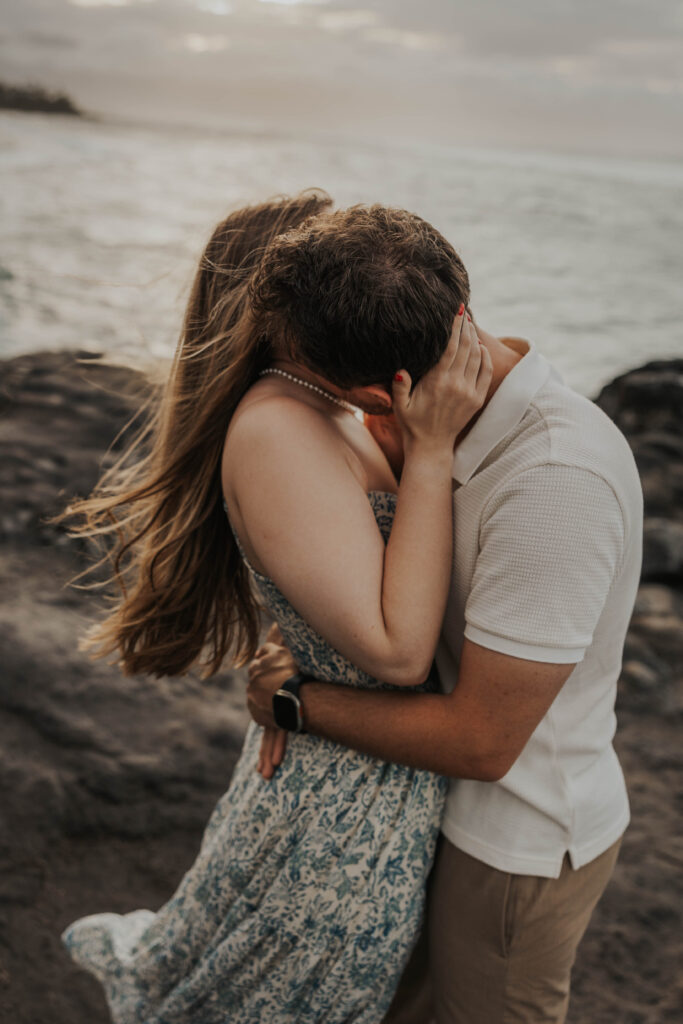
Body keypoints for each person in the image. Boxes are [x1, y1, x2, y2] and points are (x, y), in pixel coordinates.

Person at [59, 193, 493, 1022]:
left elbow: (336, 566)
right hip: (337, 811)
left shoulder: (327, 403)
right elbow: (398, 653)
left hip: (366, 779)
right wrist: (431, 449)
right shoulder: (277, 427)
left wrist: (288, 638)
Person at [247, 232, 644, 1022]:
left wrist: (295, 702)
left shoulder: (555, 484)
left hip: (511, 844)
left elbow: (482, 742)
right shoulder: (441, 431)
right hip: (438, 816)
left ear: (374, 394)